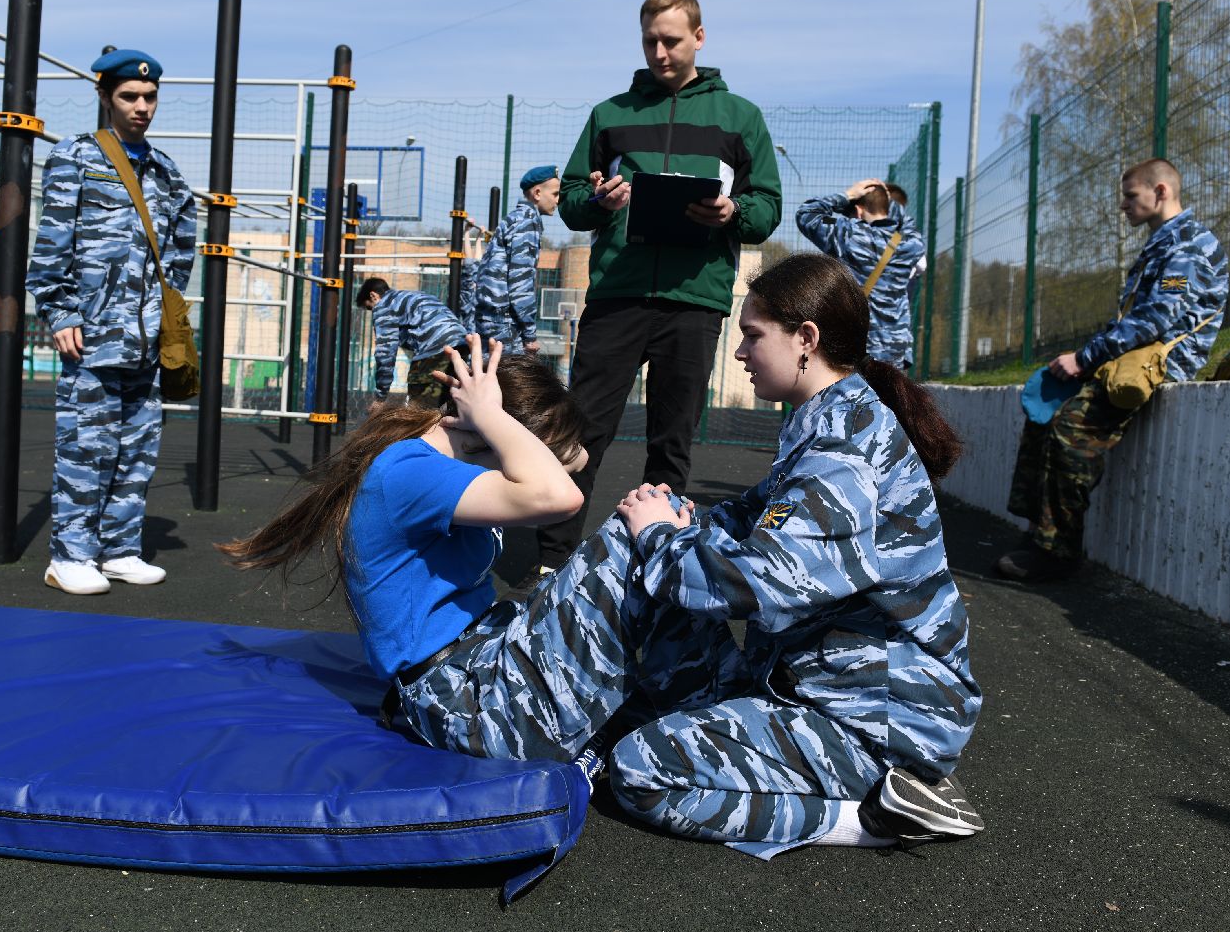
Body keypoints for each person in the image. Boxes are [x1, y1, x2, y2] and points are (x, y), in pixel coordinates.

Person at [223, 251, 984, 856]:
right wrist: (669, 526)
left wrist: (656, 533)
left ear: (806, 339)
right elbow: (718, 523)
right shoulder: (827, 426)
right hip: (469, 696)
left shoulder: (839, 447)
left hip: (871, 718)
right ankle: (711, 727)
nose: (742, 350)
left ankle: (870, 813)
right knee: (639, 554)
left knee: (642, 752)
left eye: (752, 335)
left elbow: (753, 582)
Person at [537, 0, 782, 576]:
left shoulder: (740, 117)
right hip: (617, 294)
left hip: (694, 300)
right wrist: (600, 201)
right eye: (650, 40)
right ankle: (550, 562)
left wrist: (733, 213)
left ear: (699, 37)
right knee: (581, 431)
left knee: (671, 441)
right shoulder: (611, 115)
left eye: (671, 40)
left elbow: (768, 205)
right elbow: (571, 200)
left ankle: (654, 561)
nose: (660, 52)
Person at [996, 158, 1228, 582]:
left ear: (1160, 191)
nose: (1123, 205)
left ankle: (1058, 553)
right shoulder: (1162, 242)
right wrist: (1085, 356)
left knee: (1072, 429)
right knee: (1043, 413)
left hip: (1159, 365)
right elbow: (1132, 320)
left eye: (1130, 195)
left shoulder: (1189, 244)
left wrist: (1086, 359)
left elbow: (1156, 320)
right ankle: (1037, 533)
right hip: (1131, 357)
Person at [27, 48, 196, 596]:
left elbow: (181, 245)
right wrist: (58, 309)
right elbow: (51, 242)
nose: (142, 106)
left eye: (150, 97)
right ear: (105, 97)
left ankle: (119, 549)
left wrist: (163, 308)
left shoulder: (166, 171)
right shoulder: (75, 157)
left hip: (146, 339)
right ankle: (69, 555)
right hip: (92, 334)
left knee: (137, 448)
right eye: (129, 97)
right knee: (84, 447)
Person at [795, 178, 927, 370]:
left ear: (858, 210)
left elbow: (806, 213)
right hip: (895, 347)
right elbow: (907, 223)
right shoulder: (909, 243)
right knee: (886, 399)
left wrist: (847, 196)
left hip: (857, 344)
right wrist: (887, 201)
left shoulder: (849, 235)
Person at [474, 165, 557, 354]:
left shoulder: (513, 218)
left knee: (490, 375)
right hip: (506, 321)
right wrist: (529, 333)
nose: (557, 200)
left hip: (490, 316)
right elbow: (520, 281)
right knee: (510, 381)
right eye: (555, 194)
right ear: (537, 193)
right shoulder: (528, 222)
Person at [355, 276, 469, 413]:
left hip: (434, 347)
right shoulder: (413, 295)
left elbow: (385, 352)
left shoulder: (384, 305)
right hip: (461, 343)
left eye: (369, 307)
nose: (372, 311)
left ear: (373, 295)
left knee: (418, 410)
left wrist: (380, 396)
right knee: (451, 399)